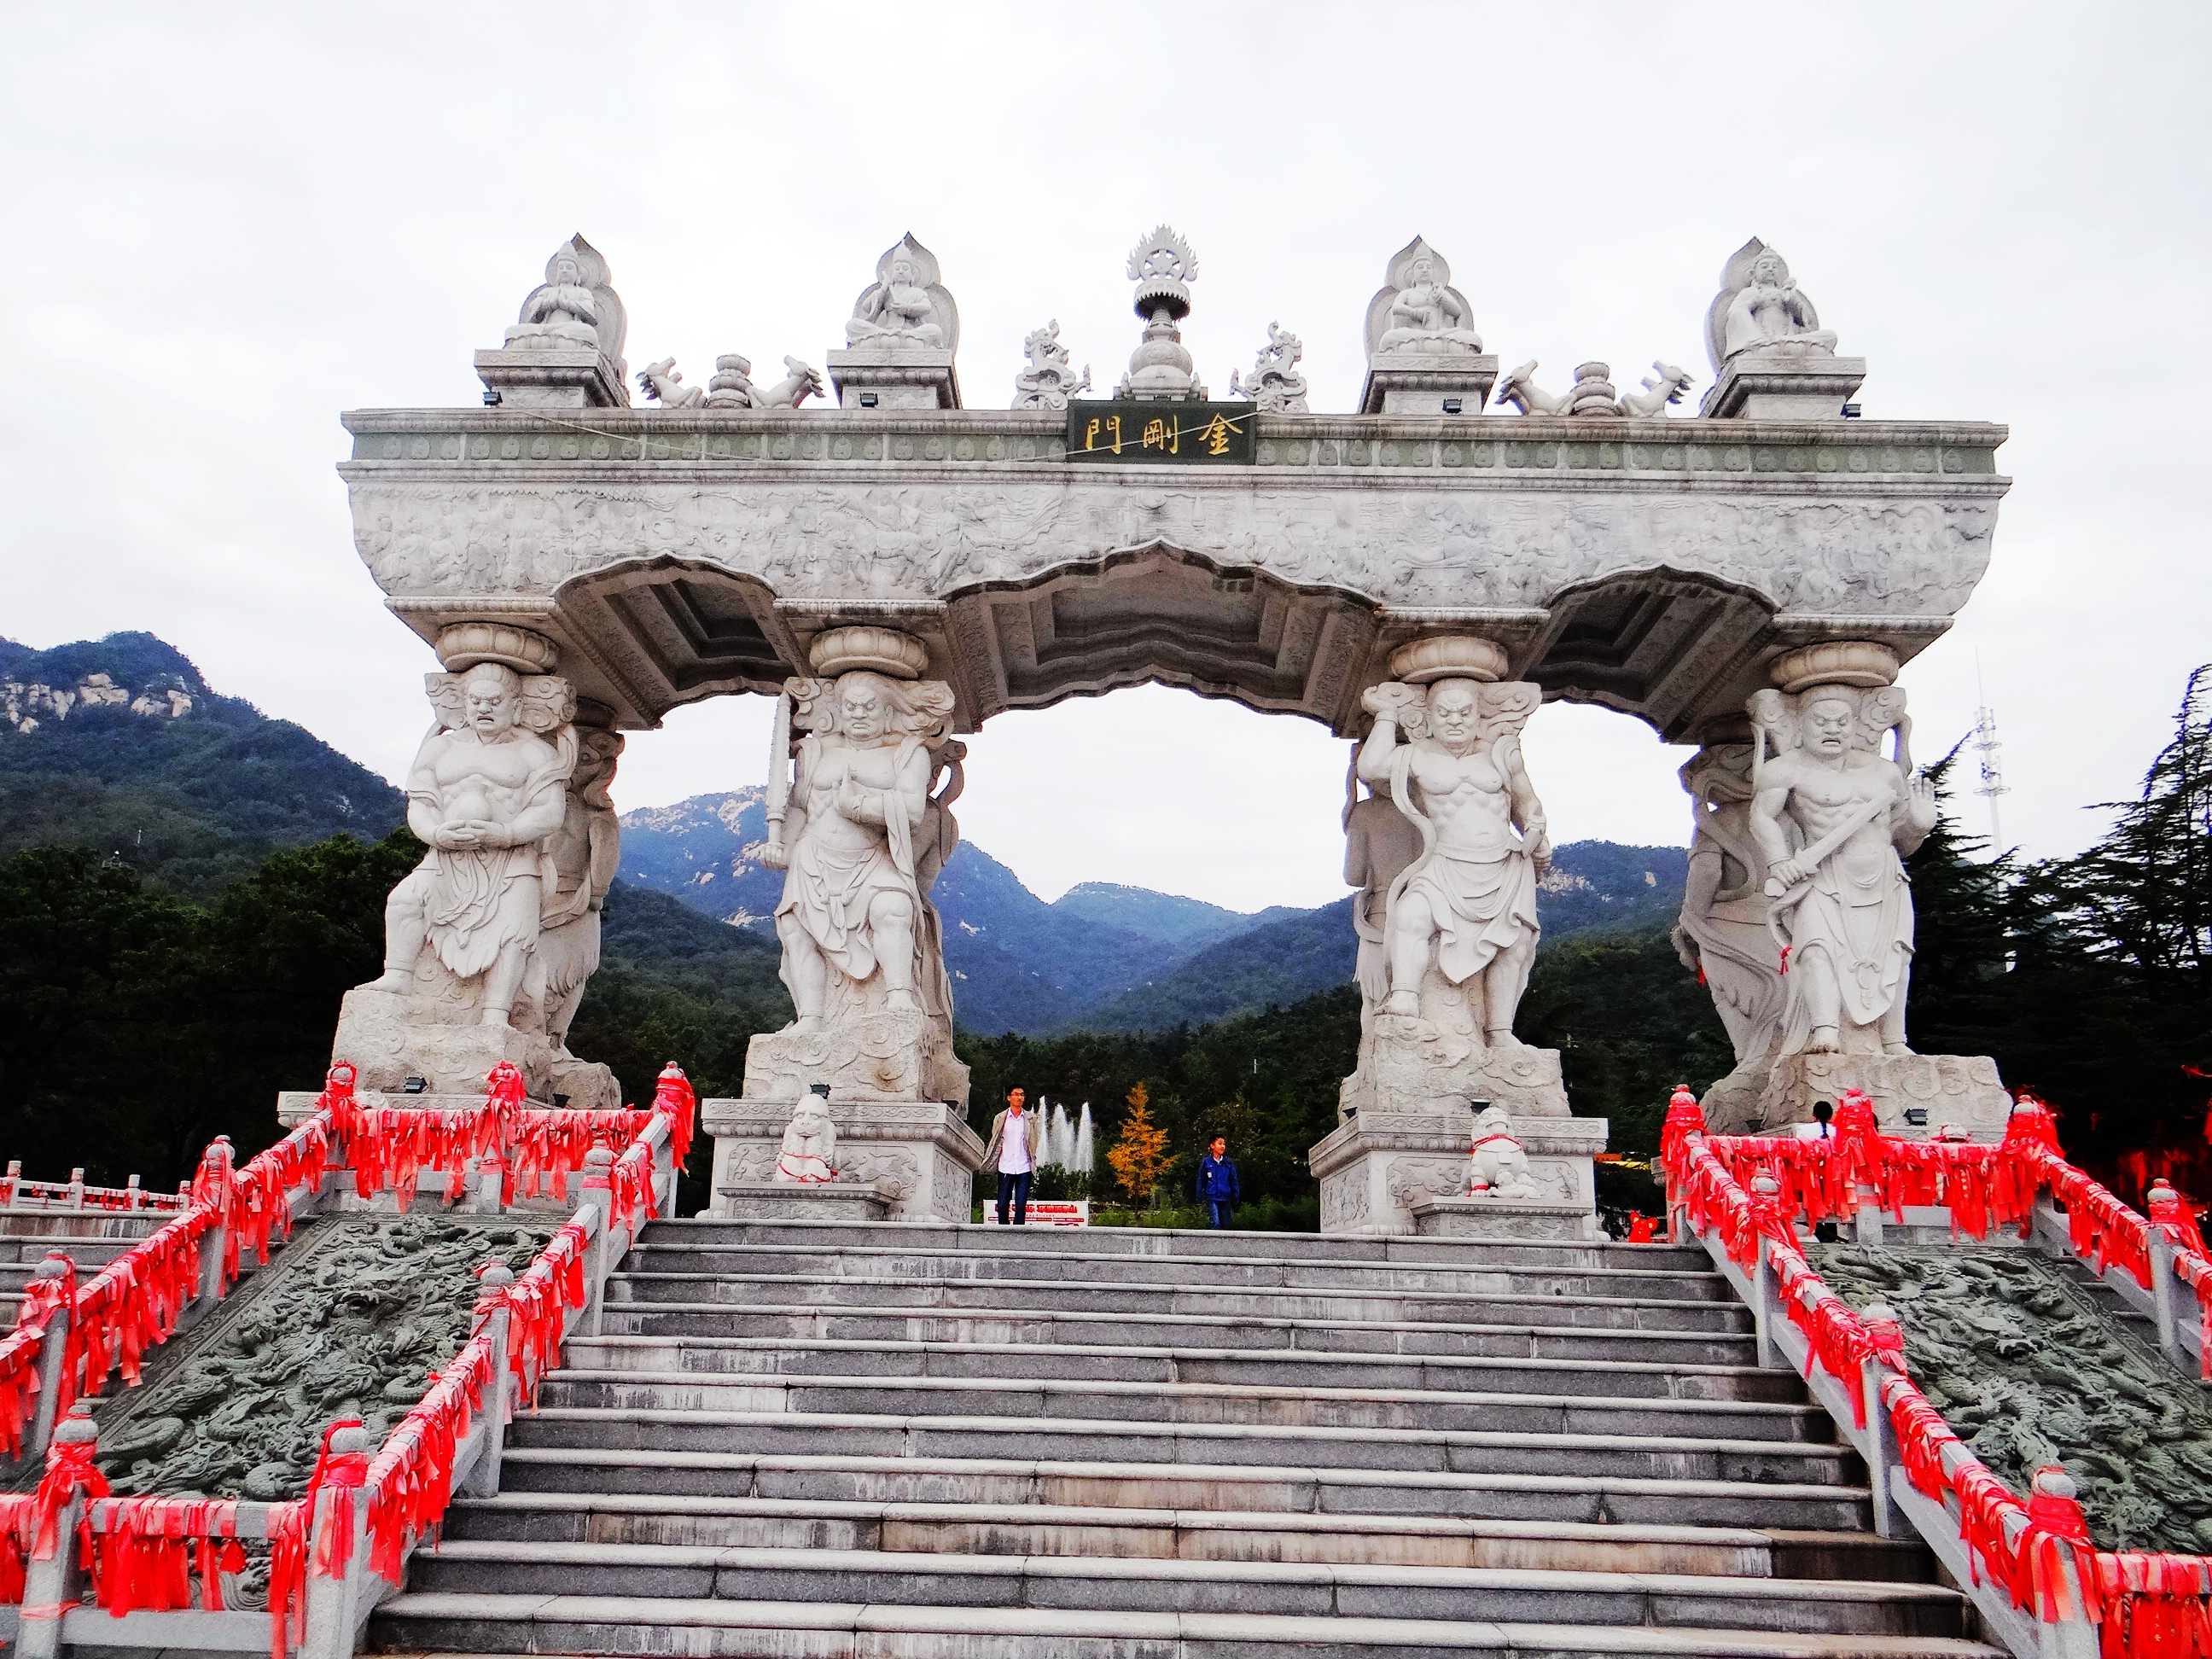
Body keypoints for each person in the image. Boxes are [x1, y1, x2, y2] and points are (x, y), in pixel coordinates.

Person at [983, 1086, 1039, 1225]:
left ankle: (1018, 1234)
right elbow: (995, 1138)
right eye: (1016, 1094)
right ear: (1009, 1097)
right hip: (1005, 1166)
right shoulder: (1001, 1118)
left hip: (1024, 1166)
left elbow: (1034, 1138)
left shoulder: (1031, 1119)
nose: (1019, 1098)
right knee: (1002, 1205)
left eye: (1022, 1095)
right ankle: (1003, 1231)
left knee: (1021, 1205)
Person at [1195, 1135, 1240, 1230]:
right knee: (1215, 1223)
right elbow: (1201, 1179)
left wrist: (1236, 1194)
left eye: (1224, 1144)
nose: (1222, 1146)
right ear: (1212, 1146)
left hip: (1226, 1197)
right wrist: (1199, 1195)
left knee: (1227, 1224)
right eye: (1219, 1144)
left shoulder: (1228, 1163)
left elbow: (1233, 1180)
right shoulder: (1206, 1162)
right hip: (1212, 1197)